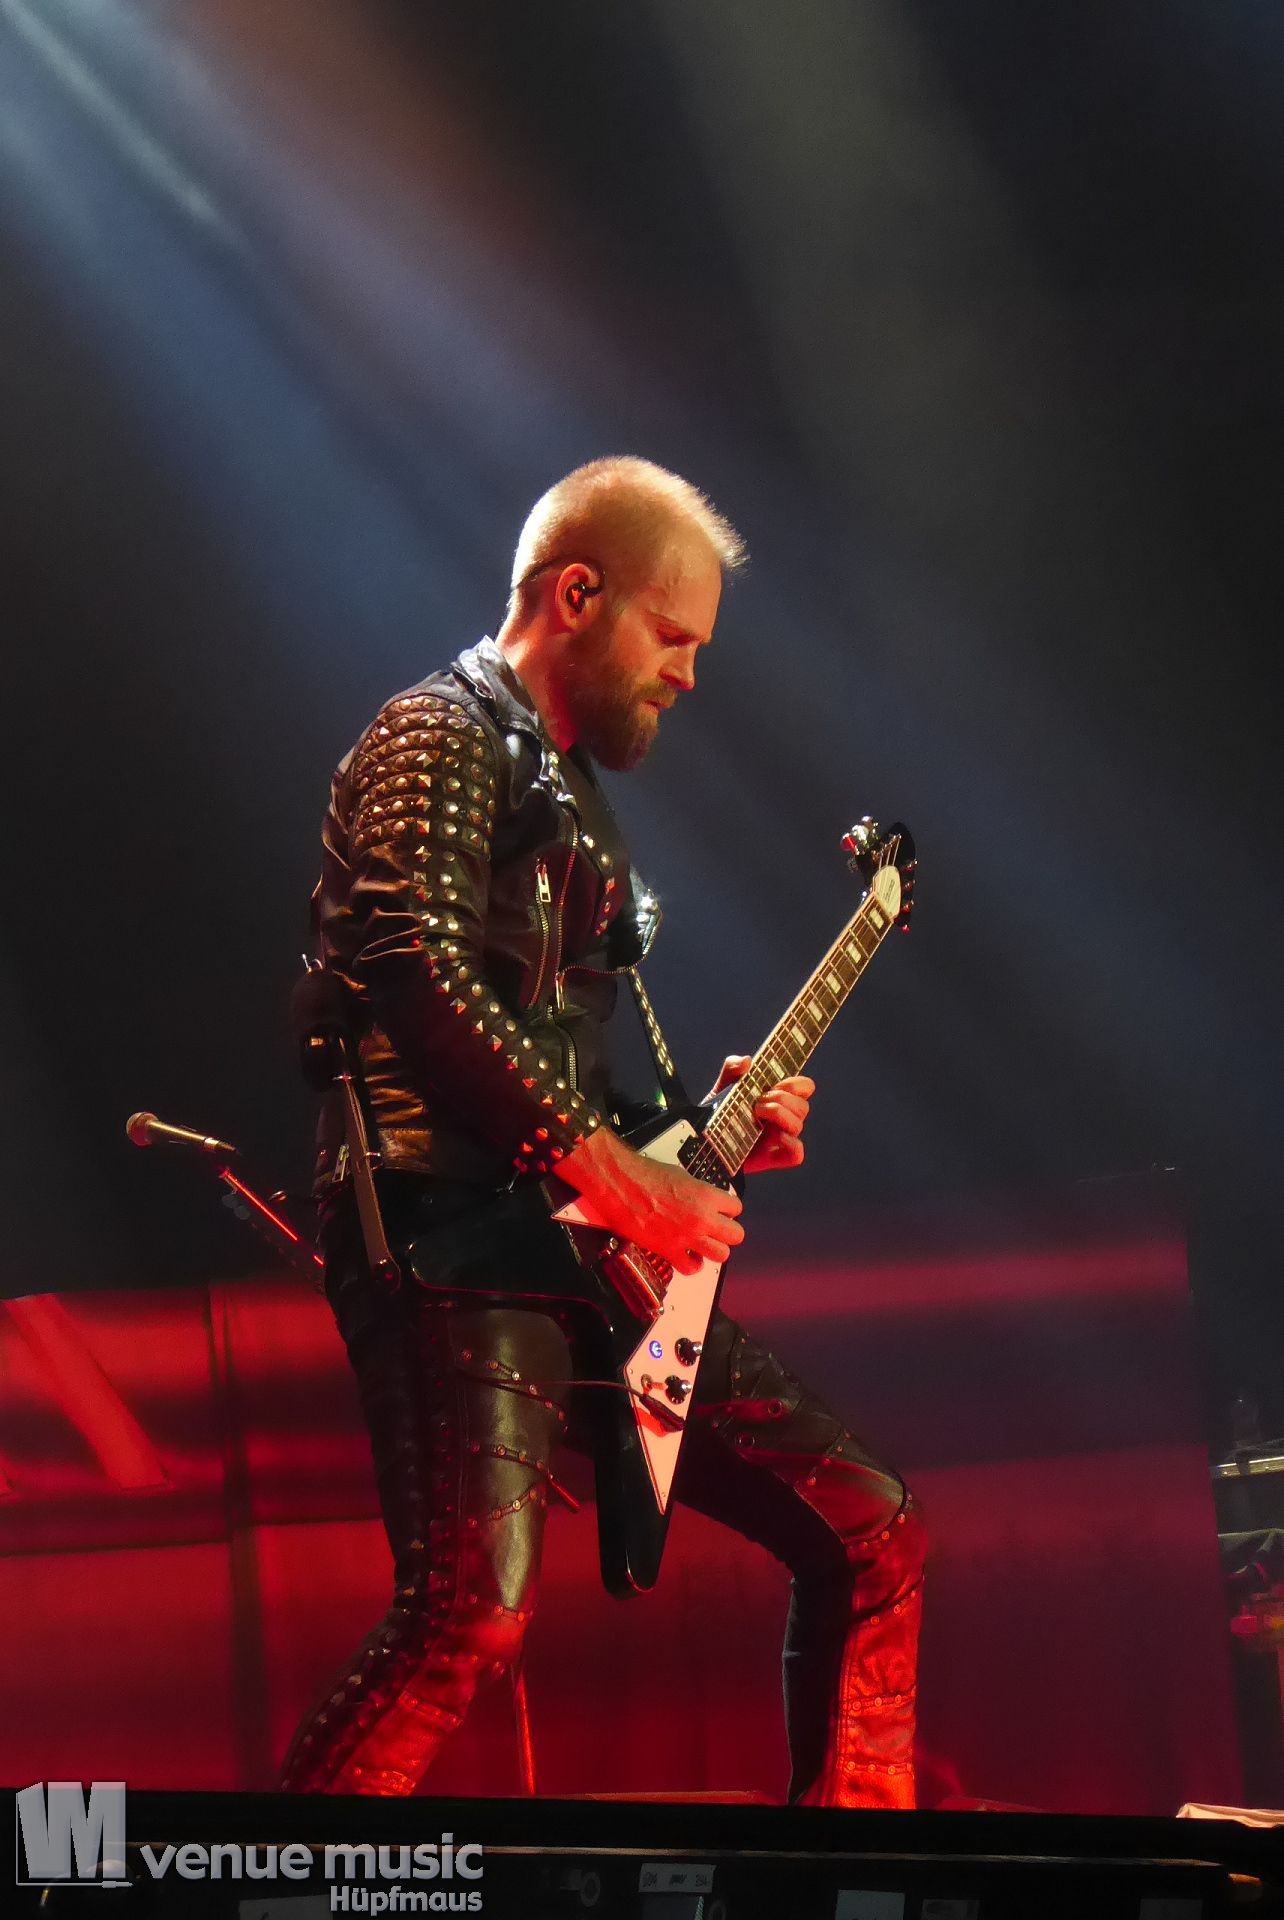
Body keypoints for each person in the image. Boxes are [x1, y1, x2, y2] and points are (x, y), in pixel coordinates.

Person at [280, 457, 925, 1805]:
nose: (689, 674)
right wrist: (627, 1179)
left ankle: (857, 1875)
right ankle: (273, 1890)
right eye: (672, 635)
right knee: (468, 1617)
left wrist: (695, 1134)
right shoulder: (436, 730)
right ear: (576, 594)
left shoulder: (575, 797)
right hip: (446, 1231)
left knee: (872, 1531)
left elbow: (558, 1062)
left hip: (567, 1240)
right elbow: (415, 971)